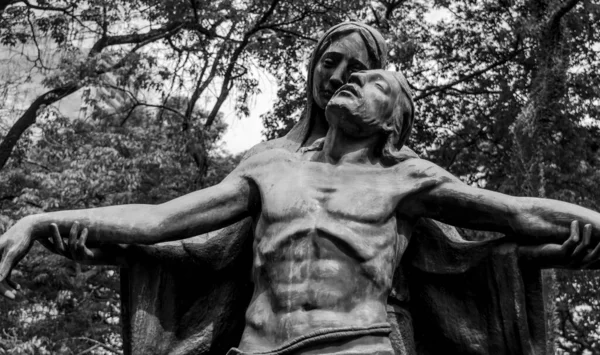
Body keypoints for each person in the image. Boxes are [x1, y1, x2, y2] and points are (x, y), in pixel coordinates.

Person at [16, 22, 595, 355]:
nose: (342, 80)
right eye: (332, 66)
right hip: (257, 348)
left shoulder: (409, 177)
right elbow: (166, 221)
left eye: (364, 78)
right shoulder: (268, 168)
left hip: (359, 346)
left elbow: (515, 216)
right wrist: (41, 221)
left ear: (393, 120)